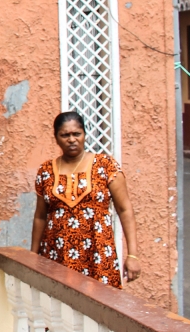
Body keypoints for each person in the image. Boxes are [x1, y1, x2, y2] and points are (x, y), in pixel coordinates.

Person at [30, 111, 141, 287]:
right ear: (56, 138)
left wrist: (132, 255)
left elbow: (125, 210)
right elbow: (40, 217)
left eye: (77, 134)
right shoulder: (46, 171)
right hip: (57, 257)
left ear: (84, 135)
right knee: (60, 308)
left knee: (100, 308)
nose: (71, 139)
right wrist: (33, 257)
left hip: (97, 257)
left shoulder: (105, 166)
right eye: (65, 135)